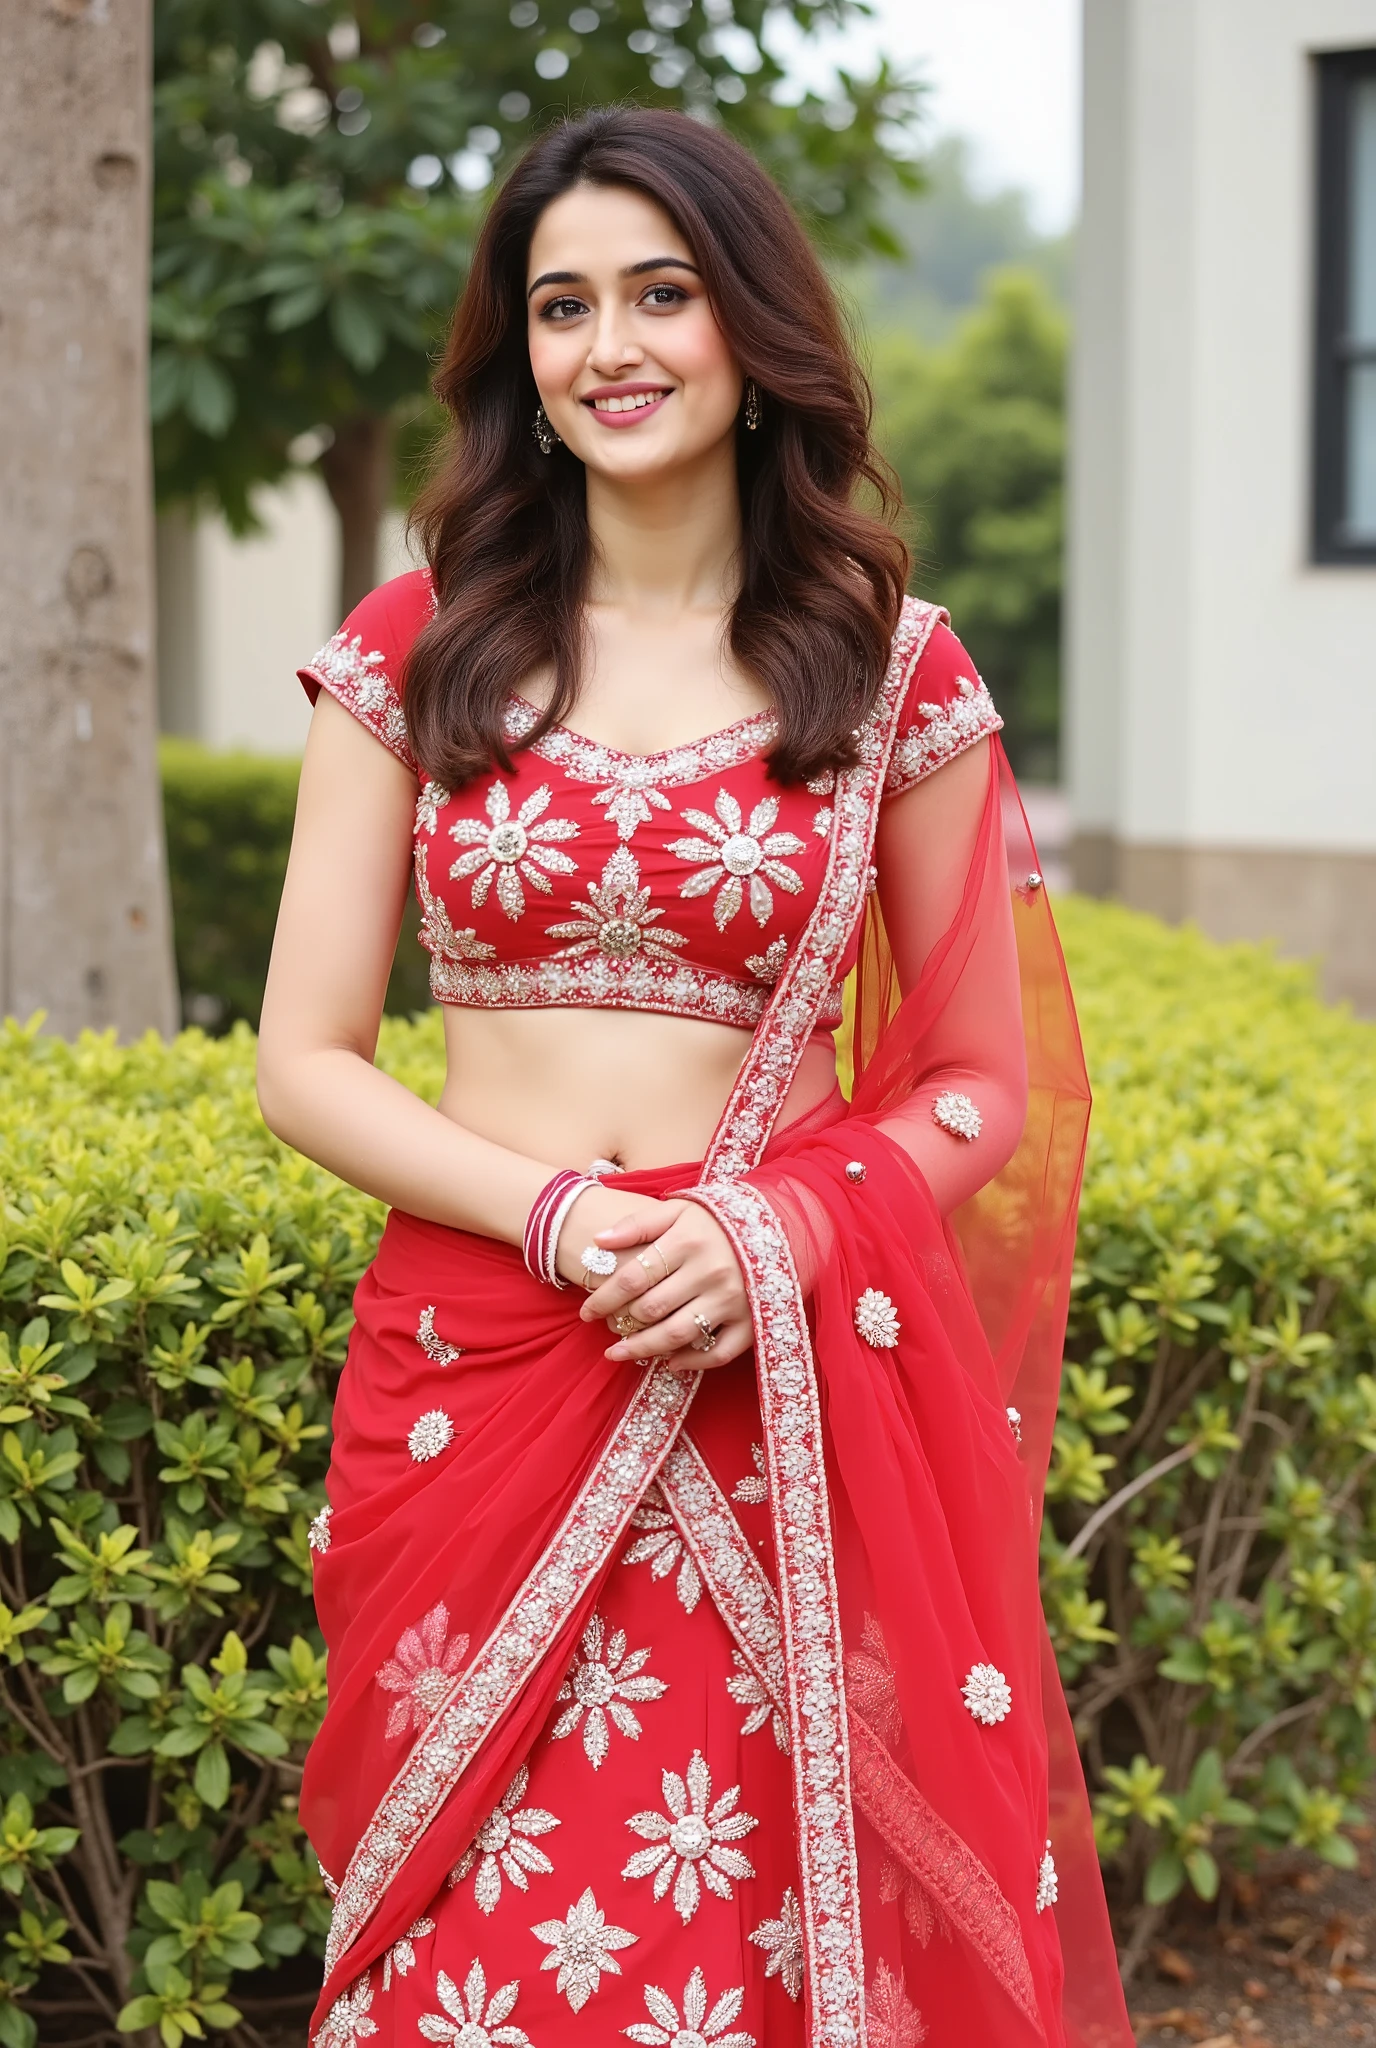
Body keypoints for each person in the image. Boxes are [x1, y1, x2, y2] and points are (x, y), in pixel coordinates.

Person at [257, 106, 1132, 2048]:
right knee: (464, 1944)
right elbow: (305, 1061)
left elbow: (981, 1081)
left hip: (768, 1383)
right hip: (483, 1354)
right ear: (519, 364)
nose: (610, 345)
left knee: (739, 1941)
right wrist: (566, 1213)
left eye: (661, 292)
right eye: (560, 307)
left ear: (752, 331)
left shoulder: (886, 671)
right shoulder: (421, 652)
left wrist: (767, 1235)